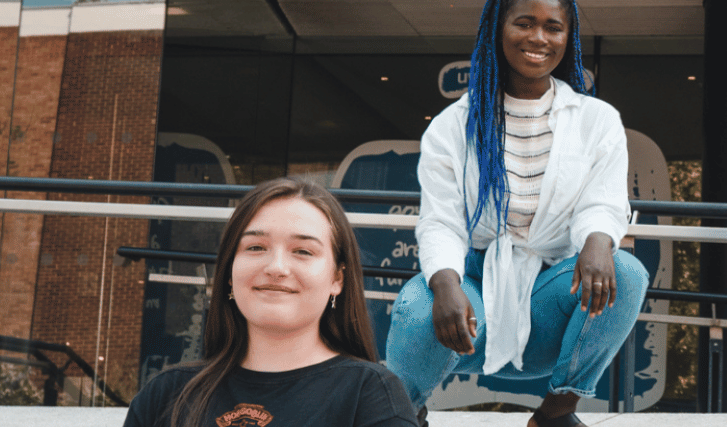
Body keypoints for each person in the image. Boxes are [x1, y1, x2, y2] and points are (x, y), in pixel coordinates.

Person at [384, 0, 649, 427]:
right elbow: (442, 220)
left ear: (569, 36)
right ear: (497, 29)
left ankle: (556, 413)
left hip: (551, 293)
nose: (538, 38)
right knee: (419, 304)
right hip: (474, 289)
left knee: (628, 273)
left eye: (553, 27)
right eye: (524, 23)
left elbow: (603, 200)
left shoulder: (596, 120)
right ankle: (400, 414)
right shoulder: (454, 125)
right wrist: (447, 283)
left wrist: (599, 240)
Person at [123, 177, 418, 427]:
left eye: (303, 251)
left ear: (337, 279)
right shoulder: (165, 396)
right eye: (255, 247)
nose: (276, 267)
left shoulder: (372, 396)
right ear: (228, 272)